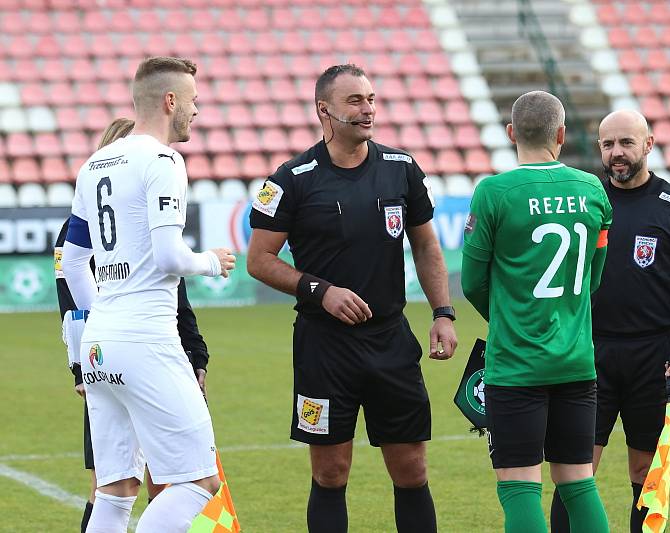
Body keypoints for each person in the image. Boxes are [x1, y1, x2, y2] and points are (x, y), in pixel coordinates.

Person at [246, 63, 457, 533]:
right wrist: (320, 292)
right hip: (325, 347)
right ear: (324, 110)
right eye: (355, 101)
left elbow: (425, 245)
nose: (368, 110)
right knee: (330, 473)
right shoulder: (290, 179)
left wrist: (444, 313)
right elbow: (259, 260)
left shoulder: (402, 169)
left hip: (390, 342)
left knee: (412, 471)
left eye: (371, 99)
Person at [61, 57, 235, 533]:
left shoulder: (93, 164)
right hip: (145, 339)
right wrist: (211, 262)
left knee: (114, 492)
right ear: (170, 100)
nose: (196, 110)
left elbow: (73, 262)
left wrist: (105, 316)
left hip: (99, 342)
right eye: (194, 100)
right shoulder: (163, 161)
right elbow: (170, 257)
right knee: (198, 482)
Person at [549, 109, 670, 532]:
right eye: (608, 145)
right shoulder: (586, 202)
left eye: (625, 143)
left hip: (655, 357)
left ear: (648, 144)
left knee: (646, 473)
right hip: (589, 353)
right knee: (575, 471)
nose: (617, 153)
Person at [461, 91, 611, 533]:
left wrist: (509, 317)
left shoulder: (493, 192)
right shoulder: (592, 189)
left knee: (519, 485)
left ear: (511, 134)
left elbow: (471, 282)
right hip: (576, 360)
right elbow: (592, 278)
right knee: (579, 482)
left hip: (516, 365)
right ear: (561, 135)